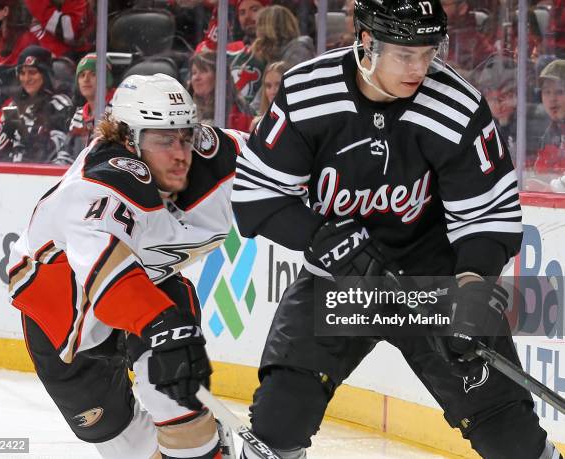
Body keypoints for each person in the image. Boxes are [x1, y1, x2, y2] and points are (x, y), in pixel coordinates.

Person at [231, 0, 563, 458]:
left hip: (434, 280)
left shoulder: (457, 106)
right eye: (405, 54)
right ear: (366, 42)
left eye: (429, 52)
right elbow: (255, 197)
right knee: (277, 421)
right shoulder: (308, 91)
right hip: (339, 280)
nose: (420, 67)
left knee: (509, 436)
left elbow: (490, 218)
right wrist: (323, 240)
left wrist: (470, 292)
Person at [7, 73, 247, 458]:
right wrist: (161, 325)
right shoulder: (96, 188)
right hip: (65, 318)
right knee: (131, 449)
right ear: (127, 139)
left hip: (151, 287)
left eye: (185, 134)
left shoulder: (214, 153)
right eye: (163, 140)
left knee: (176, 400)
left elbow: (286, 167)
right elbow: (109, 283)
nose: (180, 152)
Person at [0, 45, 72, 163]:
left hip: (40, 177)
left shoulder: (60, 104)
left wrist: (24, 135)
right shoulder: (12, 106)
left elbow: (59, 154)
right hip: (7, 175)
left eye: (32, 72)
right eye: (22, 73)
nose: (26, 78)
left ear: (45, 74)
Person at [56, 53, 116, 165]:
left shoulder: (118, 110)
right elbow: (67, 154)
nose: (86, 80)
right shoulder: (79, 115)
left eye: (93, 74)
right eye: (82, 75)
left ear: (106, 79)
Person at [189, 50, 253, 130]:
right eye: (194, 73)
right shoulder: (187, 108)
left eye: (203, 71)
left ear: (219, 76)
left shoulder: (238, 110)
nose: (196, 78)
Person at [534, 59, 565, 180]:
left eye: (560, 92)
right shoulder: (549, 131)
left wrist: (551, 188)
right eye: (547, 92)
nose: (552, 98)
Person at [249, 60, 287, 129]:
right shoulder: (258, 124)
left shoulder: (298, 119)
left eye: (278, 84)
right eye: (268, 86)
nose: (273, 91)